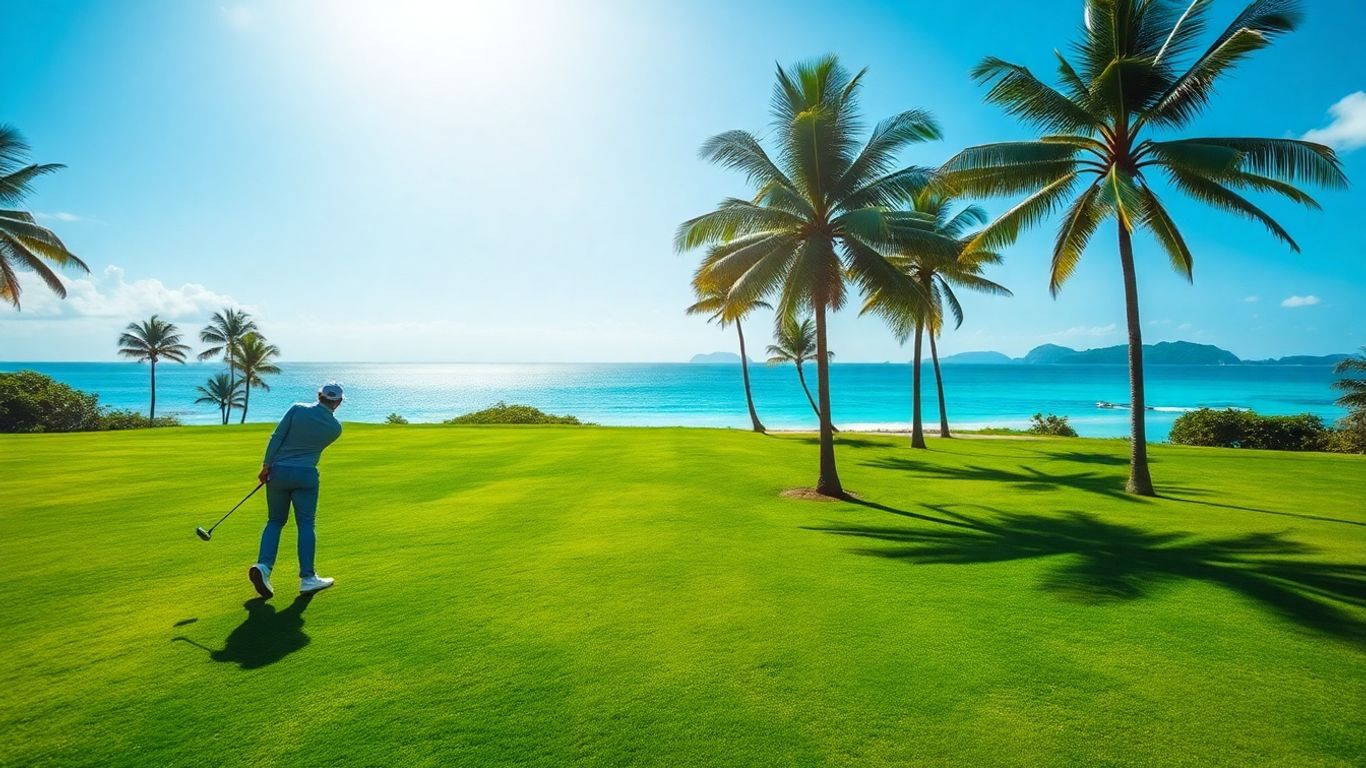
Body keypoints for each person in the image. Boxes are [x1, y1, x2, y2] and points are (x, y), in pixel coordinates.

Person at [249, 381, 345, 599]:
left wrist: (266, 466)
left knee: (275, 522)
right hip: (306, 476)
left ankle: (263, 567)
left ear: (319, 395)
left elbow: (277, 437)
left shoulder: (297, 409)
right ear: (337, 402)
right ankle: (308, 578)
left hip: (278, 473)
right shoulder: (335, 429)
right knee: (306, 524)